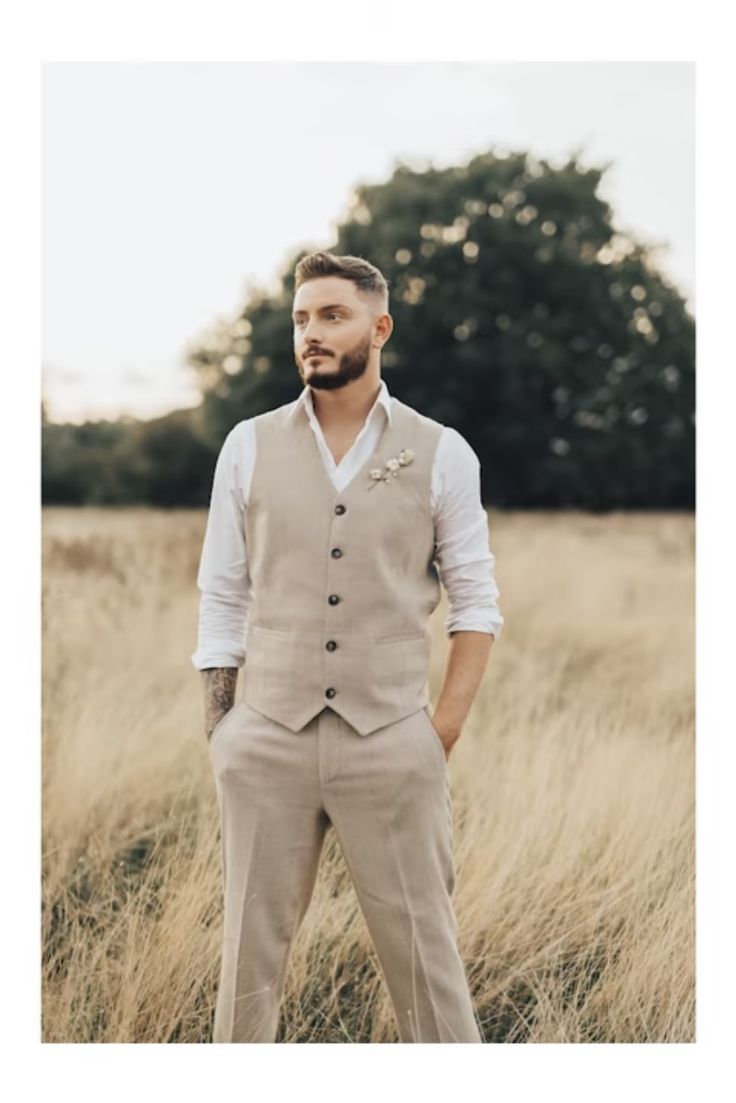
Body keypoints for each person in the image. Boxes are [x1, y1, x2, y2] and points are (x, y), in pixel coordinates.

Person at [191, 251, 504, 1043]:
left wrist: (437, 736)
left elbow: (477, 604)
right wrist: (223, 729)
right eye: (302, 318)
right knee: (247, 967)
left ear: (379, 326)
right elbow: (223, 593)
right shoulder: (248, 445)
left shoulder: (442, 451)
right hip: (266, 738)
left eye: (332, 315)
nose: (312, 334)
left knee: (428, 967)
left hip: (392, 739)